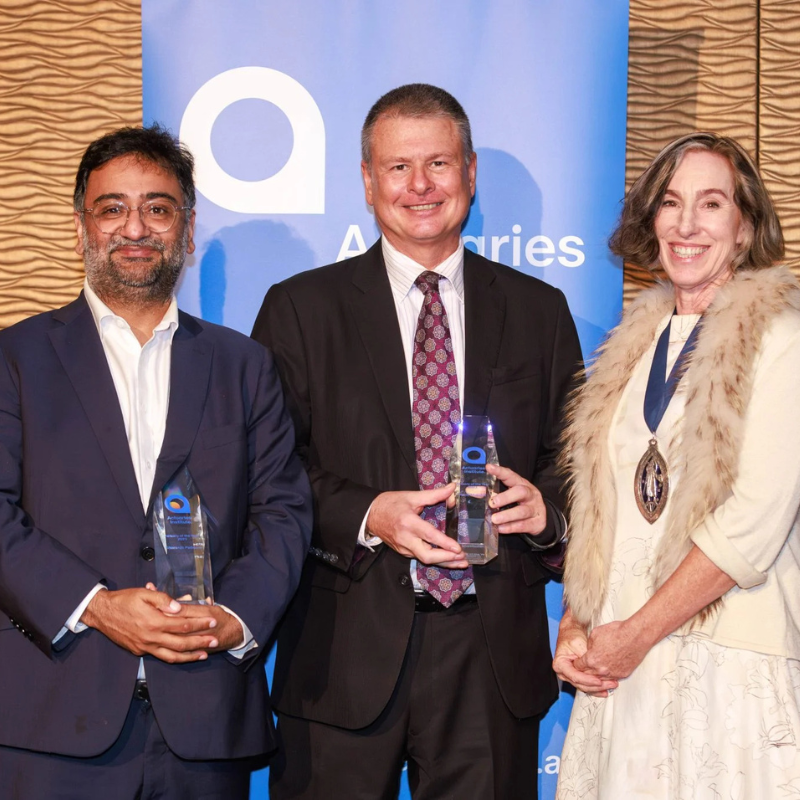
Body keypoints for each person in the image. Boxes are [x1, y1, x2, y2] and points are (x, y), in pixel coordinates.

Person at [252, 83, 582, 799]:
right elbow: (270, 470)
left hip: (491, 654)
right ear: (368, 181)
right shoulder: (300, 308)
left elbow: (574, 461)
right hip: (343, 651)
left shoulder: (539, 310)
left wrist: (547, 509)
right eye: (398, 167)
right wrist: (371, 514)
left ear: (470, 173)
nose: (420, 185)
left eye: (439, 163)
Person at [0, 125, 312, 799]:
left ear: (188, 230)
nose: (136, 228)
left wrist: (234, 618)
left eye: (159, 208)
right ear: (81, 227)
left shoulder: (243, 365)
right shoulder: (15, 359)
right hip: (52, 722)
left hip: (206, 724)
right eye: (112, 208)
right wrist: (95, 606)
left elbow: (283, 512)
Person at [554, 132, 800, 798]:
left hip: (726, 666)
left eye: (711, 204)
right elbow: (601, 508)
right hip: (621, 665)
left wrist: (636, 633)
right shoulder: (631, 348)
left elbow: (754, 523)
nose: (687, 224)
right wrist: (578, 622)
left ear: (745, 227)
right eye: (670, 202)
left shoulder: (783, 339)